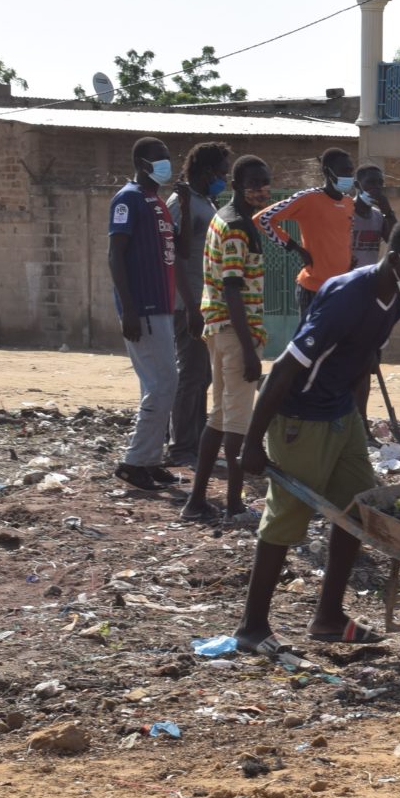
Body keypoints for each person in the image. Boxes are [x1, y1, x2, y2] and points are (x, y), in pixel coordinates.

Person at [234, 216, 400, 654]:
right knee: (286, 520)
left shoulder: (398, 298)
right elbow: (285, 369)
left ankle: (328, 617)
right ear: (396, 259)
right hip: (301, 417)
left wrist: (359, 422)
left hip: (340, 414)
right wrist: (252, 441)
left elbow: (363, 358)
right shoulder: (349, 296)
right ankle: (251, 626)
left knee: (358, 510)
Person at [182, 156, 271, 523]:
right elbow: (233, 289)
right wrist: (250, 351)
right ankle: (233, 506)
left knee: (219, 417)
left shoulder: (228, 217)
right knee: (237, 423)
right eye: (254, 183)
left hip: (221, 330)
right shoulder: (235, 226)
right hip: (235, 333)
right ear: (236, 183)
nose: (261, 190)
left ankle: (197, 500)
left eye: (265, 183)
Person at [108, 137, 182, 492]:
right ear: (141, 162)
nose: (166, 163)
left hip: (163, 305)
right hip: (145, 308)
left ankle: (150, 460)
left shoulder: (157, 202)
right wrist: (129, 309)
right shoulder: (128, 199)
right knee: (164, 384)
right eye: (159, 159)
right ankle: (134, 462)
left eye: (168, 158)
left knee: (156, 386)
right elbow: (115, 255)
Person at [167, 141, 232, 471]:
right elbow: (175, 257)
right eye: (222, 172)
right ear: (207, 171)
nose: (225, 177)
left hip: (204, 304)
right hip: (188, 304)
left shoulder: (203, 200)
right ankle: (180, 448)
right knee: (191, 376)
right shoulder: (181, 203)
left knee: (202, 376)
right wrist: (191, 308)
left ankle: (191, 442)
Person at [255, 147, 358, 316]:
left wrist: (348, 257)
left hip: (341, 288)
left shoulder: (348, 202)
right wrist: (295, 248)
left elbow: (342, 236)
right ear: (327, 171)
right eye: (344, 171)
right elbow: (263, 219)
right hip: (313, 289)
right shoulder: (308, 198)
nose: (349, 176)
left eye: (351, 171)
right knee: (311, 341)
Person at [349, 164, 397, 269]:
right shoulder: (345, 212)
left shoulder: (379, 216)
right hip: (344, 277)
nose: (377, 187)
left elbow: (396, 242)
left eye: (380, 183)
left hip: (367, 277)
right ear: (357, 185)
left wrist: (388, 212)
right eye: (371, 182)